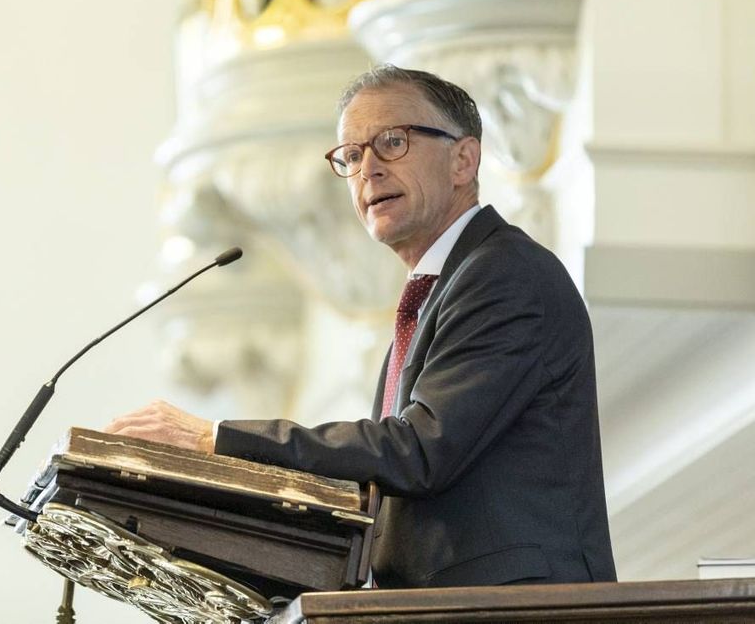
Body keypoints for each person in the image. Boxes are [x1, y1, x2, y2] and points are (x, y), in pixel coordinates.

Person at [104, 64, 616, 588]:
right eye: (351, 155)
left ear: (463, 159)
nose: (367, 169)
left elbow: (418, 451)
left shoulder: (504, 273)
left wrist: (217, 439)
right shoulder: (436, 291)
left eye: (392, 142)